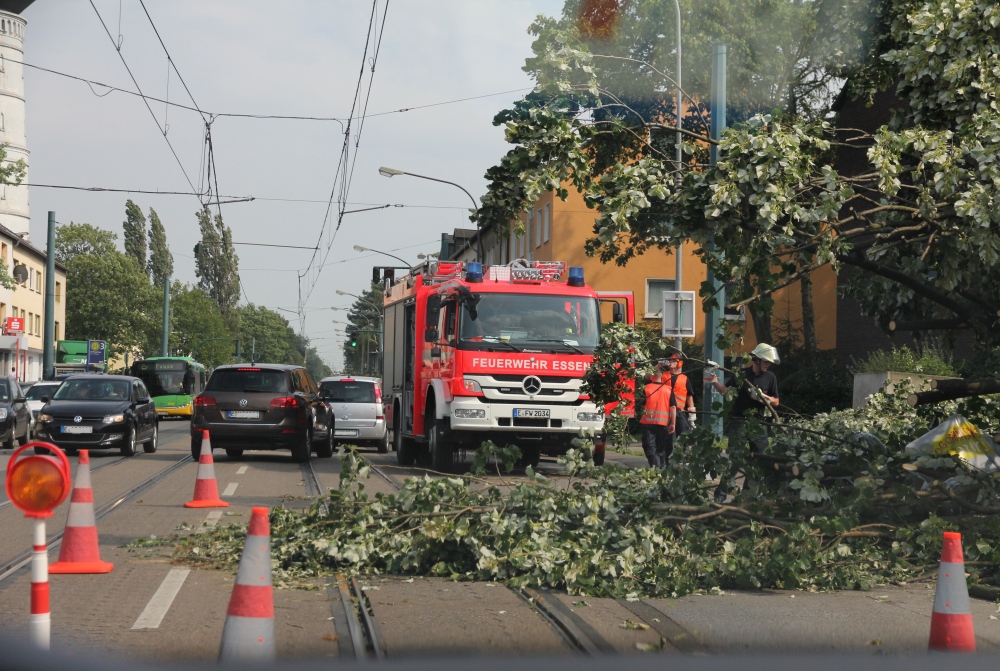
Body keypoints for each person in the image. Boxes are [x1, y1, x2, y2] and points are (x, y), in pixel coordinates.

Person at [704, 342, 781, 501]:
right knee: (734, 459)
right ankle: (720, 495)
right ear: (757, 360)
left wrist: (764, 398)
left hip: (759, 424)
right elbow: (726, 391)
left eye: (769, 362)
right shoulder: (741, 374)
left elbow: (776, 402)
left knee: (759, 459)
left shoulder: (770, 377)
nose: (768, 365)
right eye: (766, 362)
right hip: (738, 421)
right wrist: (712, 379)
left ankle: (747, 496)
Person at [639, 362, 675, 468]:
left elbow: (641, 404)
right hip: (663, 424)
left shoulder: (646, 388)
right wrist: (673, 423)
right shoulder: (668, 389)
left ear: (652, 377)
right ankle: (660, 468)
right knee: (660, 449)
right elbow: (673, 407)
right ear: (662, 377)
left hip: (648, 423)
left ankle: (655, 468)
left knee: (650, 447)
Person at [664, 353, 697, 435]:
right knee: (664, 437)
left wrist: (692, 416)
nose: (670, 362)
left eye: (674, 360)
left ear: (679, 363)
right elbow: (649, 377)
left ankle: (683, 447)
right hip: (665, 410)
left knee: (683, 434)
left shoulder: (684, 378)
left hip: (679, 411)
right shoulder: (663, 375)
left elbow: (689, 397)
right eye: (670, 360)